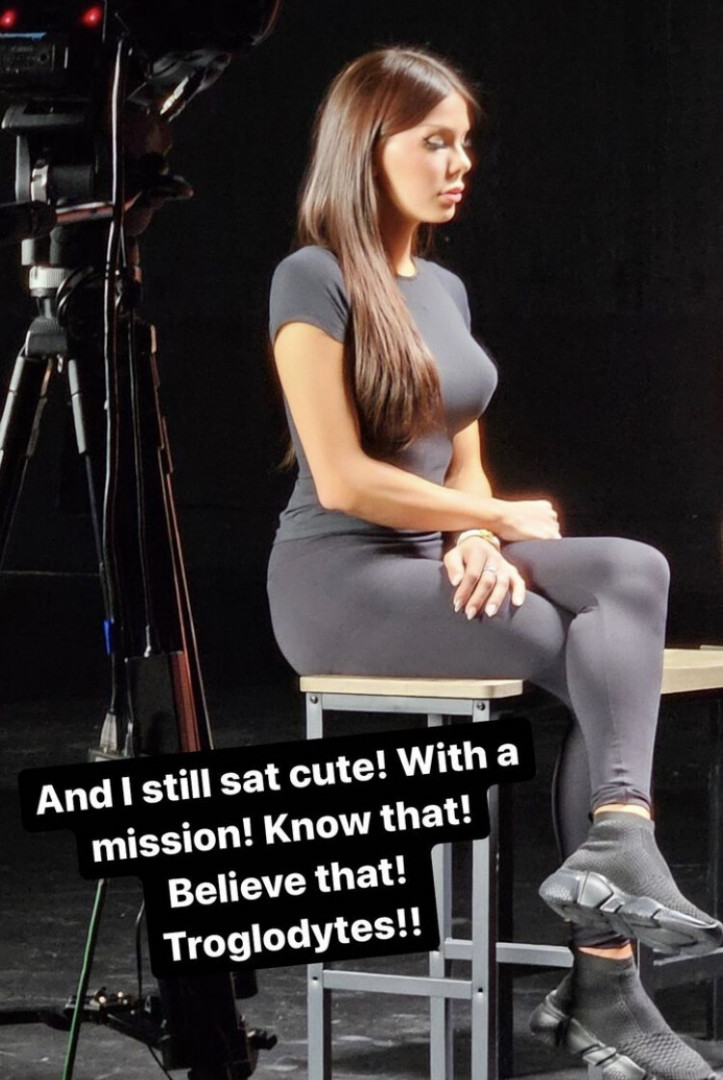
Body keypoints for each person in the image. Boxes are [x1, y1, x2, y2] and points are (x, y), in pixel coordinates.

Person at [267, 46, 722, 1080]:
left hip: (434, 560)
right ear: (367, 146)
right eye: (435, 142)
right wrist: (487, 518)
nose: (460, 162)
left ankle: (618, 844)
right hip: (337, 582)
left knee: (632, 574)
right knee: (580, 644)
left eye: (464, 143)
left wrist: (475, 535)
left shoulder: (446, 288)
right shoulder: (312, 277)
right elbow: (343, 478)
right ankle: (605, 989)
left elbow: (463, 453)